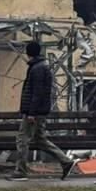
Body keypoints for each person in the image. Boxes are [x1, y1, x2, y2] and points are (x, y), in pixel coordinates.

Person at [8, 41, 78, 181]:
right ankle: (66, 161)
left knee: (22, 139)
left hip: (35, 113)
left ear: (28, 53)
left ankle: (21, 171)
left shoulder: (37, 69)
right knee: (40, 140)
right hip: (39, 111)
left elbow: (37, 93)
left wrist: (31, 113)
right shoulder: (40, 67)